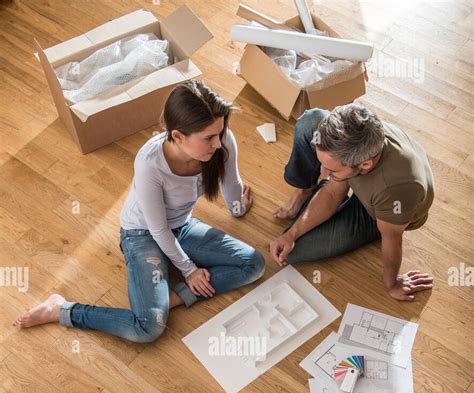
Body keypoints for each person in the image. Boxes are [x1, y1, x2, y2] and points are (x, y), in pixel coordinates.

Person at [13, 81, 265, 339]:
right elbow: (157, 228)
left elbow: (231, 183)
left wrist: (237, 208)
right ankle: (62, 309)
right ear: (178, 136)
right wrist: (189, 270)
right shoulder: (150, 163)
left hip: (182, 225)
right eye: (209, 138)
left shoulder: (221, 142)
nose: (218, 144)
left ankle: (171, 299)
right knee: (147, 327)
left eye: (220, 133)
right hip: (142, 234)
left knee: (253, 264)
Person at [270, 103, 434, 301]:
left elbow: (392, 237)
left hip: (381, 212)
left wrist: (393, 283)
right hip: (364, 181)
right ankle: (307, 191)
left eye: (332, 170)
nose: (323, 173)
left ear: (365, 164)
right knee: (311, 120)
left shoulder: (395, 189)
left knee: (293, 253)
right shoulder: (356, 140)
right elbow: (332, 192)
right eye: (322, 164)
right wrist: (291, 234)